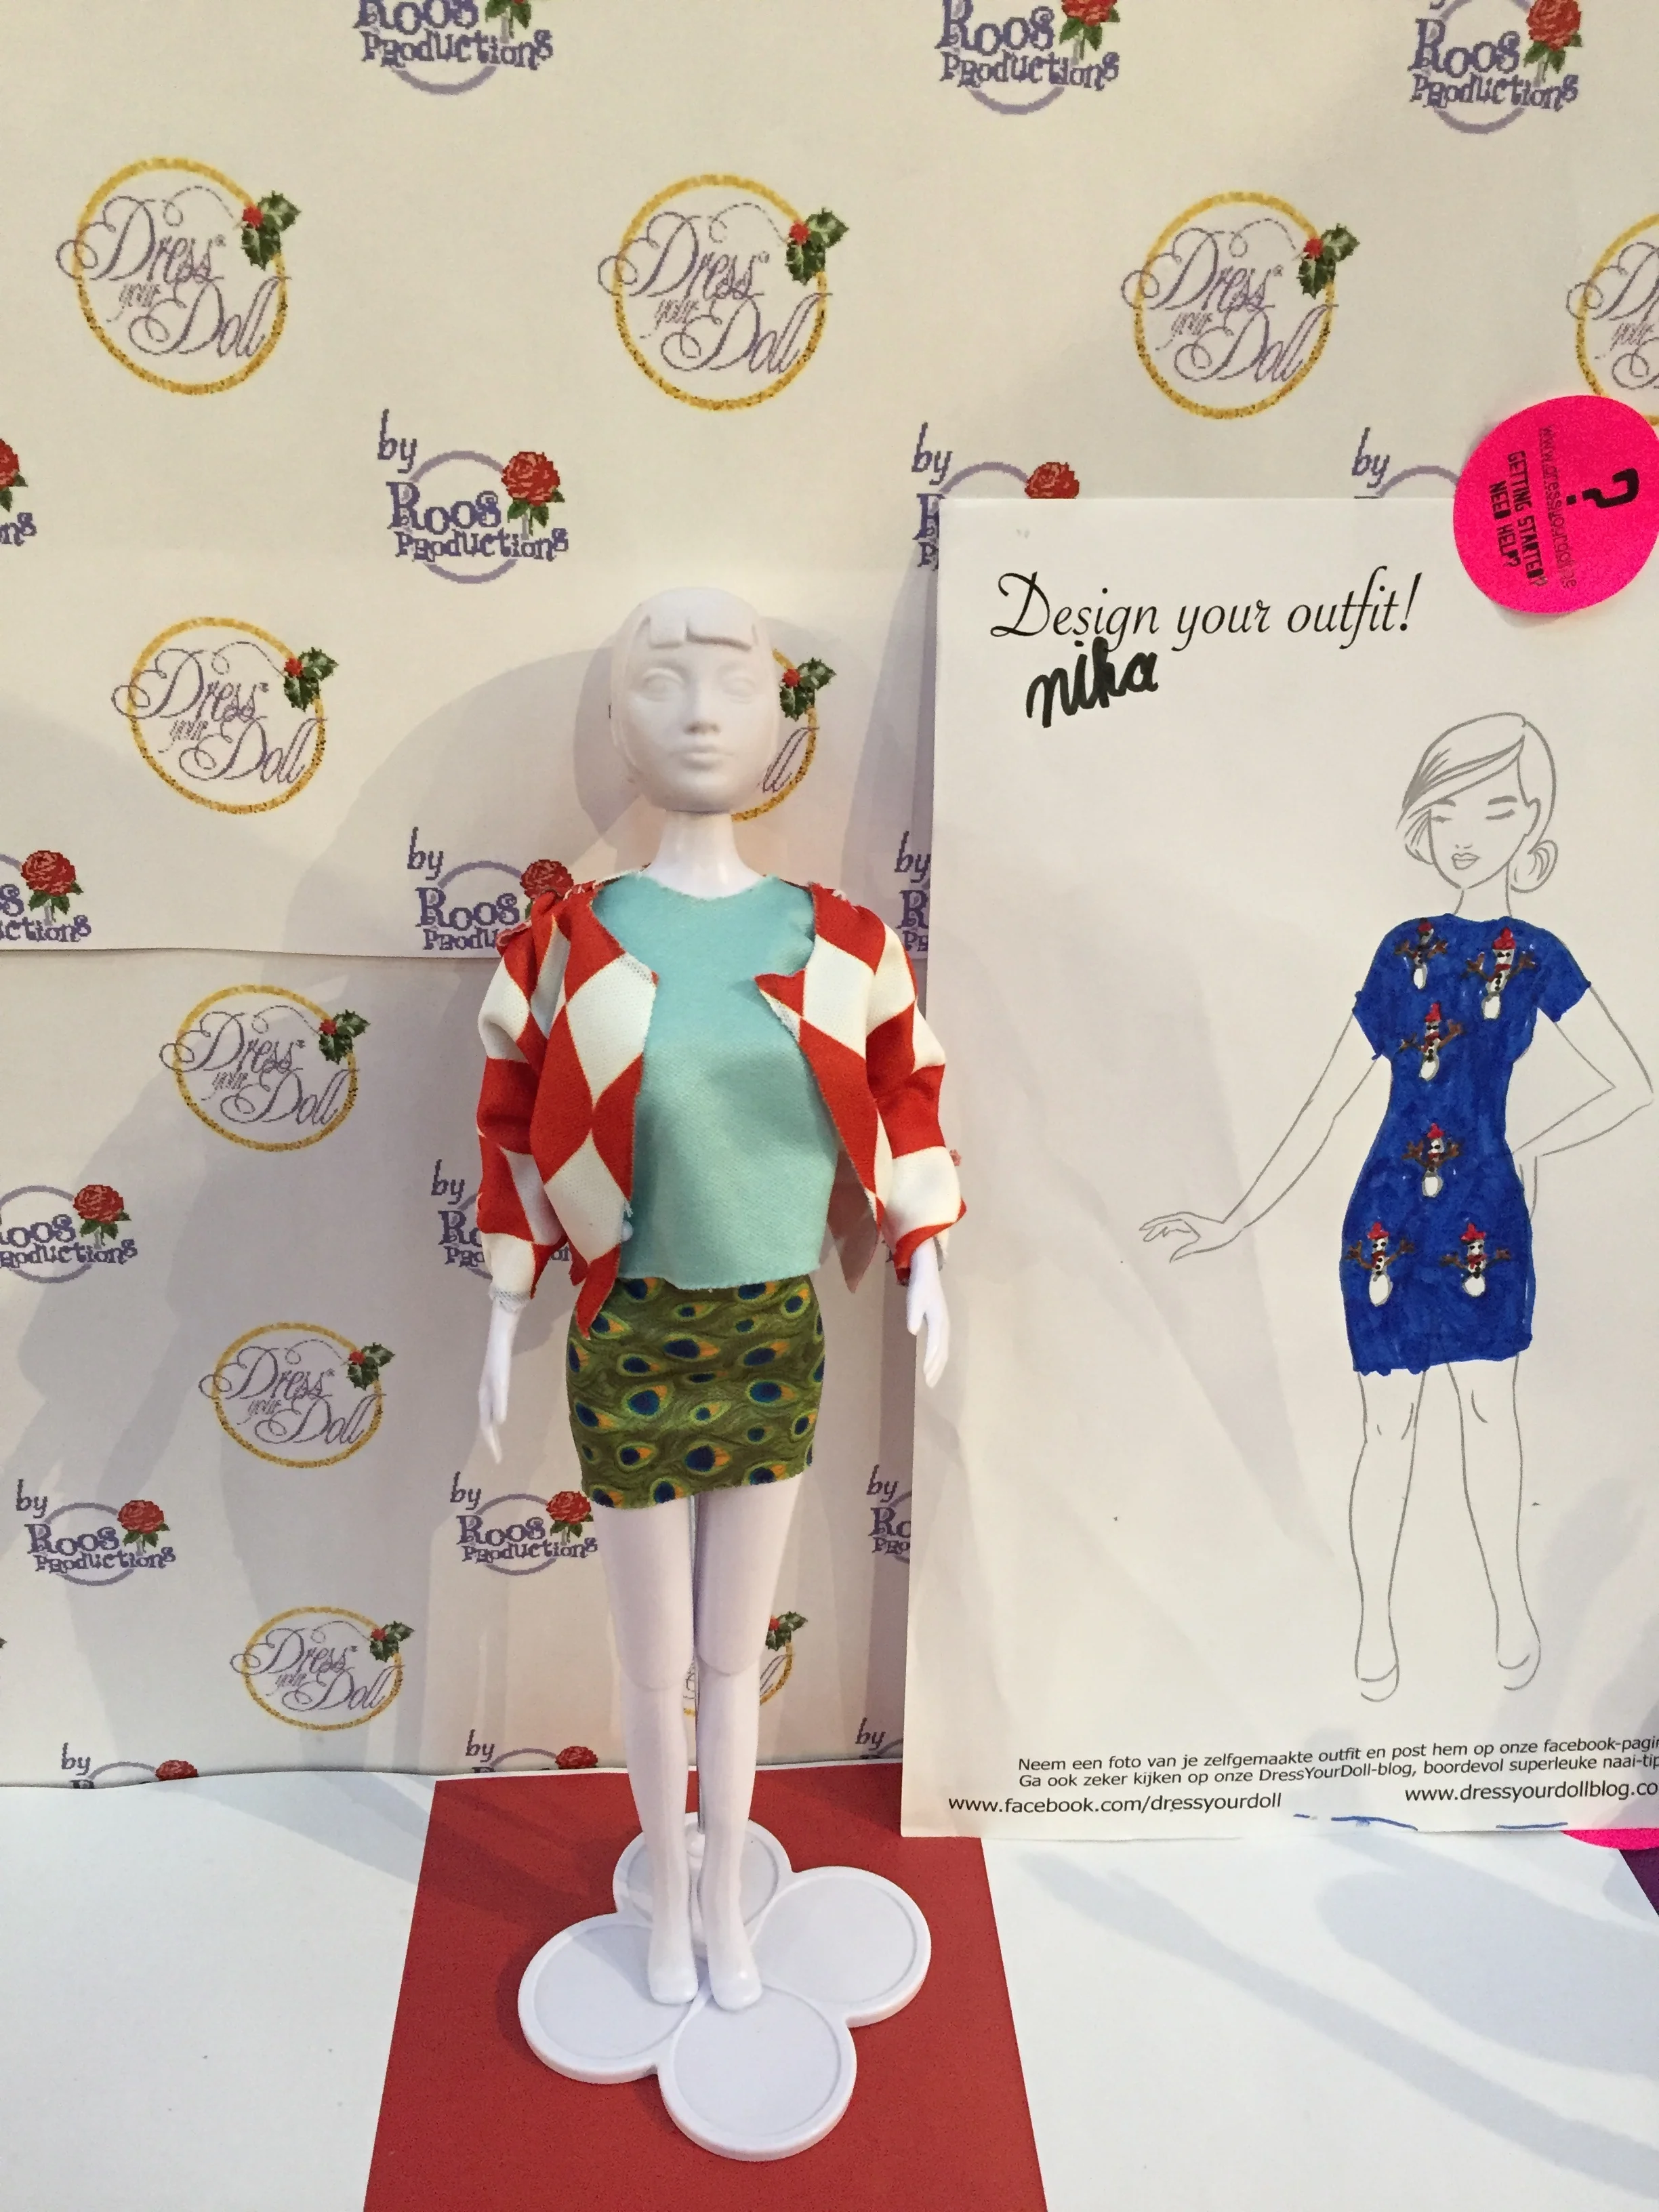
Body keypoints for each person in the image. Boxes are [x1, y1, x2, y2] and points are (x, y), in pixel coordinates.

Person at [472, 587, 962, 2007]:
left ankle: (727, 1900)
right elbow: (511, 1123)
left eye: (735, 687)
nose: (699, 714)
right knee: (651, 1662)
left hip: (769, 1331)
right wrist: (505, 1304)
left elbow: (906, 1092)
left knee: (733, 1657)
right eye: (661, 684)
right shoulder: (563, 944)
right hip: (627, 1330)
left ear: (781, 724)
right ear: (616, 723)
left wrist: (926, 1252)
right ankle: (671, 1912)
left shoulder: (845, 943)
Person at [1143, 714, 1650, 1700]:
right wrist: (1235, 1220)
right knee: (1389, 1428)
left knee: (1490, 1415)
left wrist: (1529, 1149)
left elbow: (1632, 1083)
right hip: (1385, 1218)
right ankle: (1374, 1618)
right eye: (1448, 809)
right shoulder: (1402, 949)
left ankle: (1510, 1603)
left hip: (1488, 1215)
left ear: (1532, 820)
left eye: (1495, 808)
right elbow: (1329, 1098)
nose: (1467, 831)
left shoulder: (1537, 953)